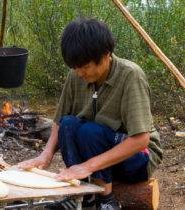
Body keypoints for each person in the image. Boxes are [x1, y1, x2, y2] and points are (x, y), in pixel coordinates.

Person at [18, 18, 163, 210]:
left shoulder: (130, 75)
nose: (79, 73)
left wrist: (88, 166)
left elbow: (140, 140)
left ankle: (106, 199)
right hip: (97, 154)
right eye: (74, 67)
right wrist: (45, 156)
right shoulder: (75, 75)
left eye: (85, 66)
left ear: (106, 55)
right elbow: (60, 121)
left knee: (89, 132)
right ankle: (81, 194)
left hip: (137, 159)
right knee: (69, 123)